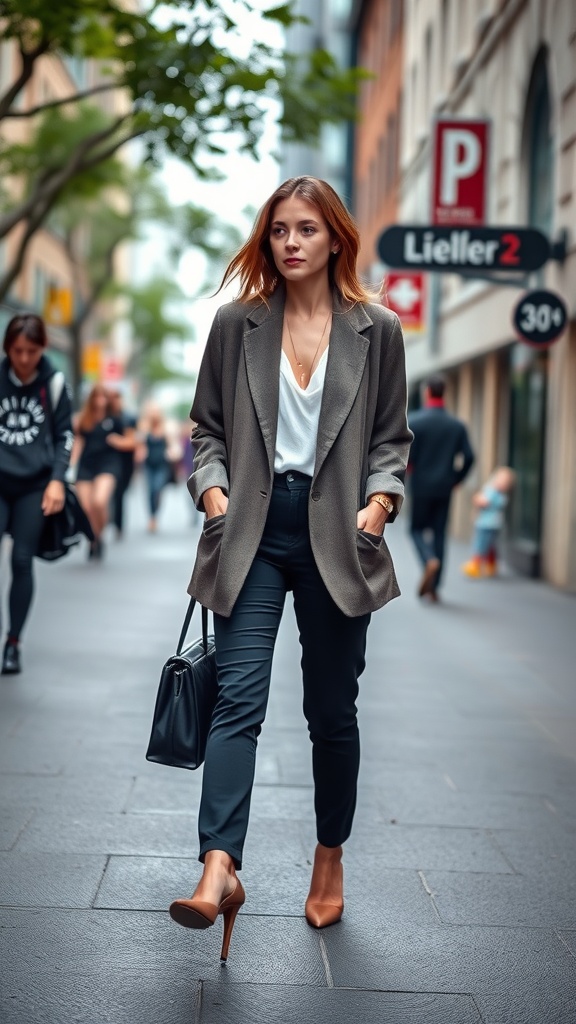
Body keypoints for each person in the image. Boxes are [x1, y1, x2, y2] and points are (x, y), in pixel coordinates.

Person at [168, 176, 413, 960]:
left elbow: (391, 439)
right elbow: (207, 427)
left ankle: (329, 854)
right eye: (279, 230)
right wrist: (213, 492)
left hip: (340, 534)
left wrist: (379, 505)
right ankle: (218, 867)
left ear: (335, 237)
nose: (291, 243)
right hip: (251, 529)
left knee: (331, 712)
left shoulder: (378, 329)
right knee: (236, 701)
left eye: (307, 229)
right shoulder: (236, 323)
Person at [0, 313, 73, 675]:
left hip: (34, 486)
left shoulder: (53, 383)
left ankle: (13, 643)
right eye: (17, 351)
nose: (24, 358)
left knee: (21, 560)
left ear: (43, 347)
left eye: (31, 350)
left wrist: (58, 479)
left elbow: (65, 435)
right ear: (7, 349)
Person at [407, 374, 474, 602]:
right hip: (445, 487)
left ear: (427, 392)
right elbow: (470, 457)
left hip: (421, 486)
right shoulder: (456, 426)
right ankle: (434, 588)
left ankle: (428, 560)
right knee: (439, 533)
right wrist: (456, 479)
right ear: (444, 392)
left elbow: (406, 455)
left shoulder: (415, 422)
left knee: (416, 529)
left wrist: (409, 470)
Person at [71, 384, 127, 559]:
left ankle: (98, 535)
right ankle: (94, 538)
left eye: (103, 397)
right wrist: (71, 465)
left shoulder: (115, 419)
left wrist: (118, 441)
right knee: (86, 507)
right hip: (86, 465)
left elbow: (132, 440)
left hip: (108, 464)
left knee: (99, 502)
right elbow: (78, 443)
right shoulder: (84, 419)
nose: (100, 401)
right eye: (96, 397)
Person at [461, 466, 515, 578]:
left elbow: (484, 502)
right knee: (490, 545)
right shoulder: (497, 493)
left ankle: (475, 565)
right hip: (489, 523)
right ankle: (491, 564)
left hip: (487, 524)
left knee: (481, 544)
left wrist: (476, 498)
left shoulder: (495, 493)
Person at [109, 389, 138, 538]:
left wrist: (116, 441)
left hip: (125, 462)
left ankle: (117, 524)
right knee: (116, 494)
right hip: (108, 462)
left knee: (120, 493)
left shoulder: (127, 418)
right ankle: (115, 523)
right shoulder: (105, 417)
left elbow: (131, 442)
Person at [140, 404, 171, 533]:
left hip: (161, 464)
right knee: (150, 491)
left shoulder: (165, 428)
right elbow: (140, 444)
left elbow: (171, 445)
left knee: (157, 489)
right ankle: (152, 517)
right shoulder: (144, 428)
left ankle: (155, 513)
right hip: (149, 465)